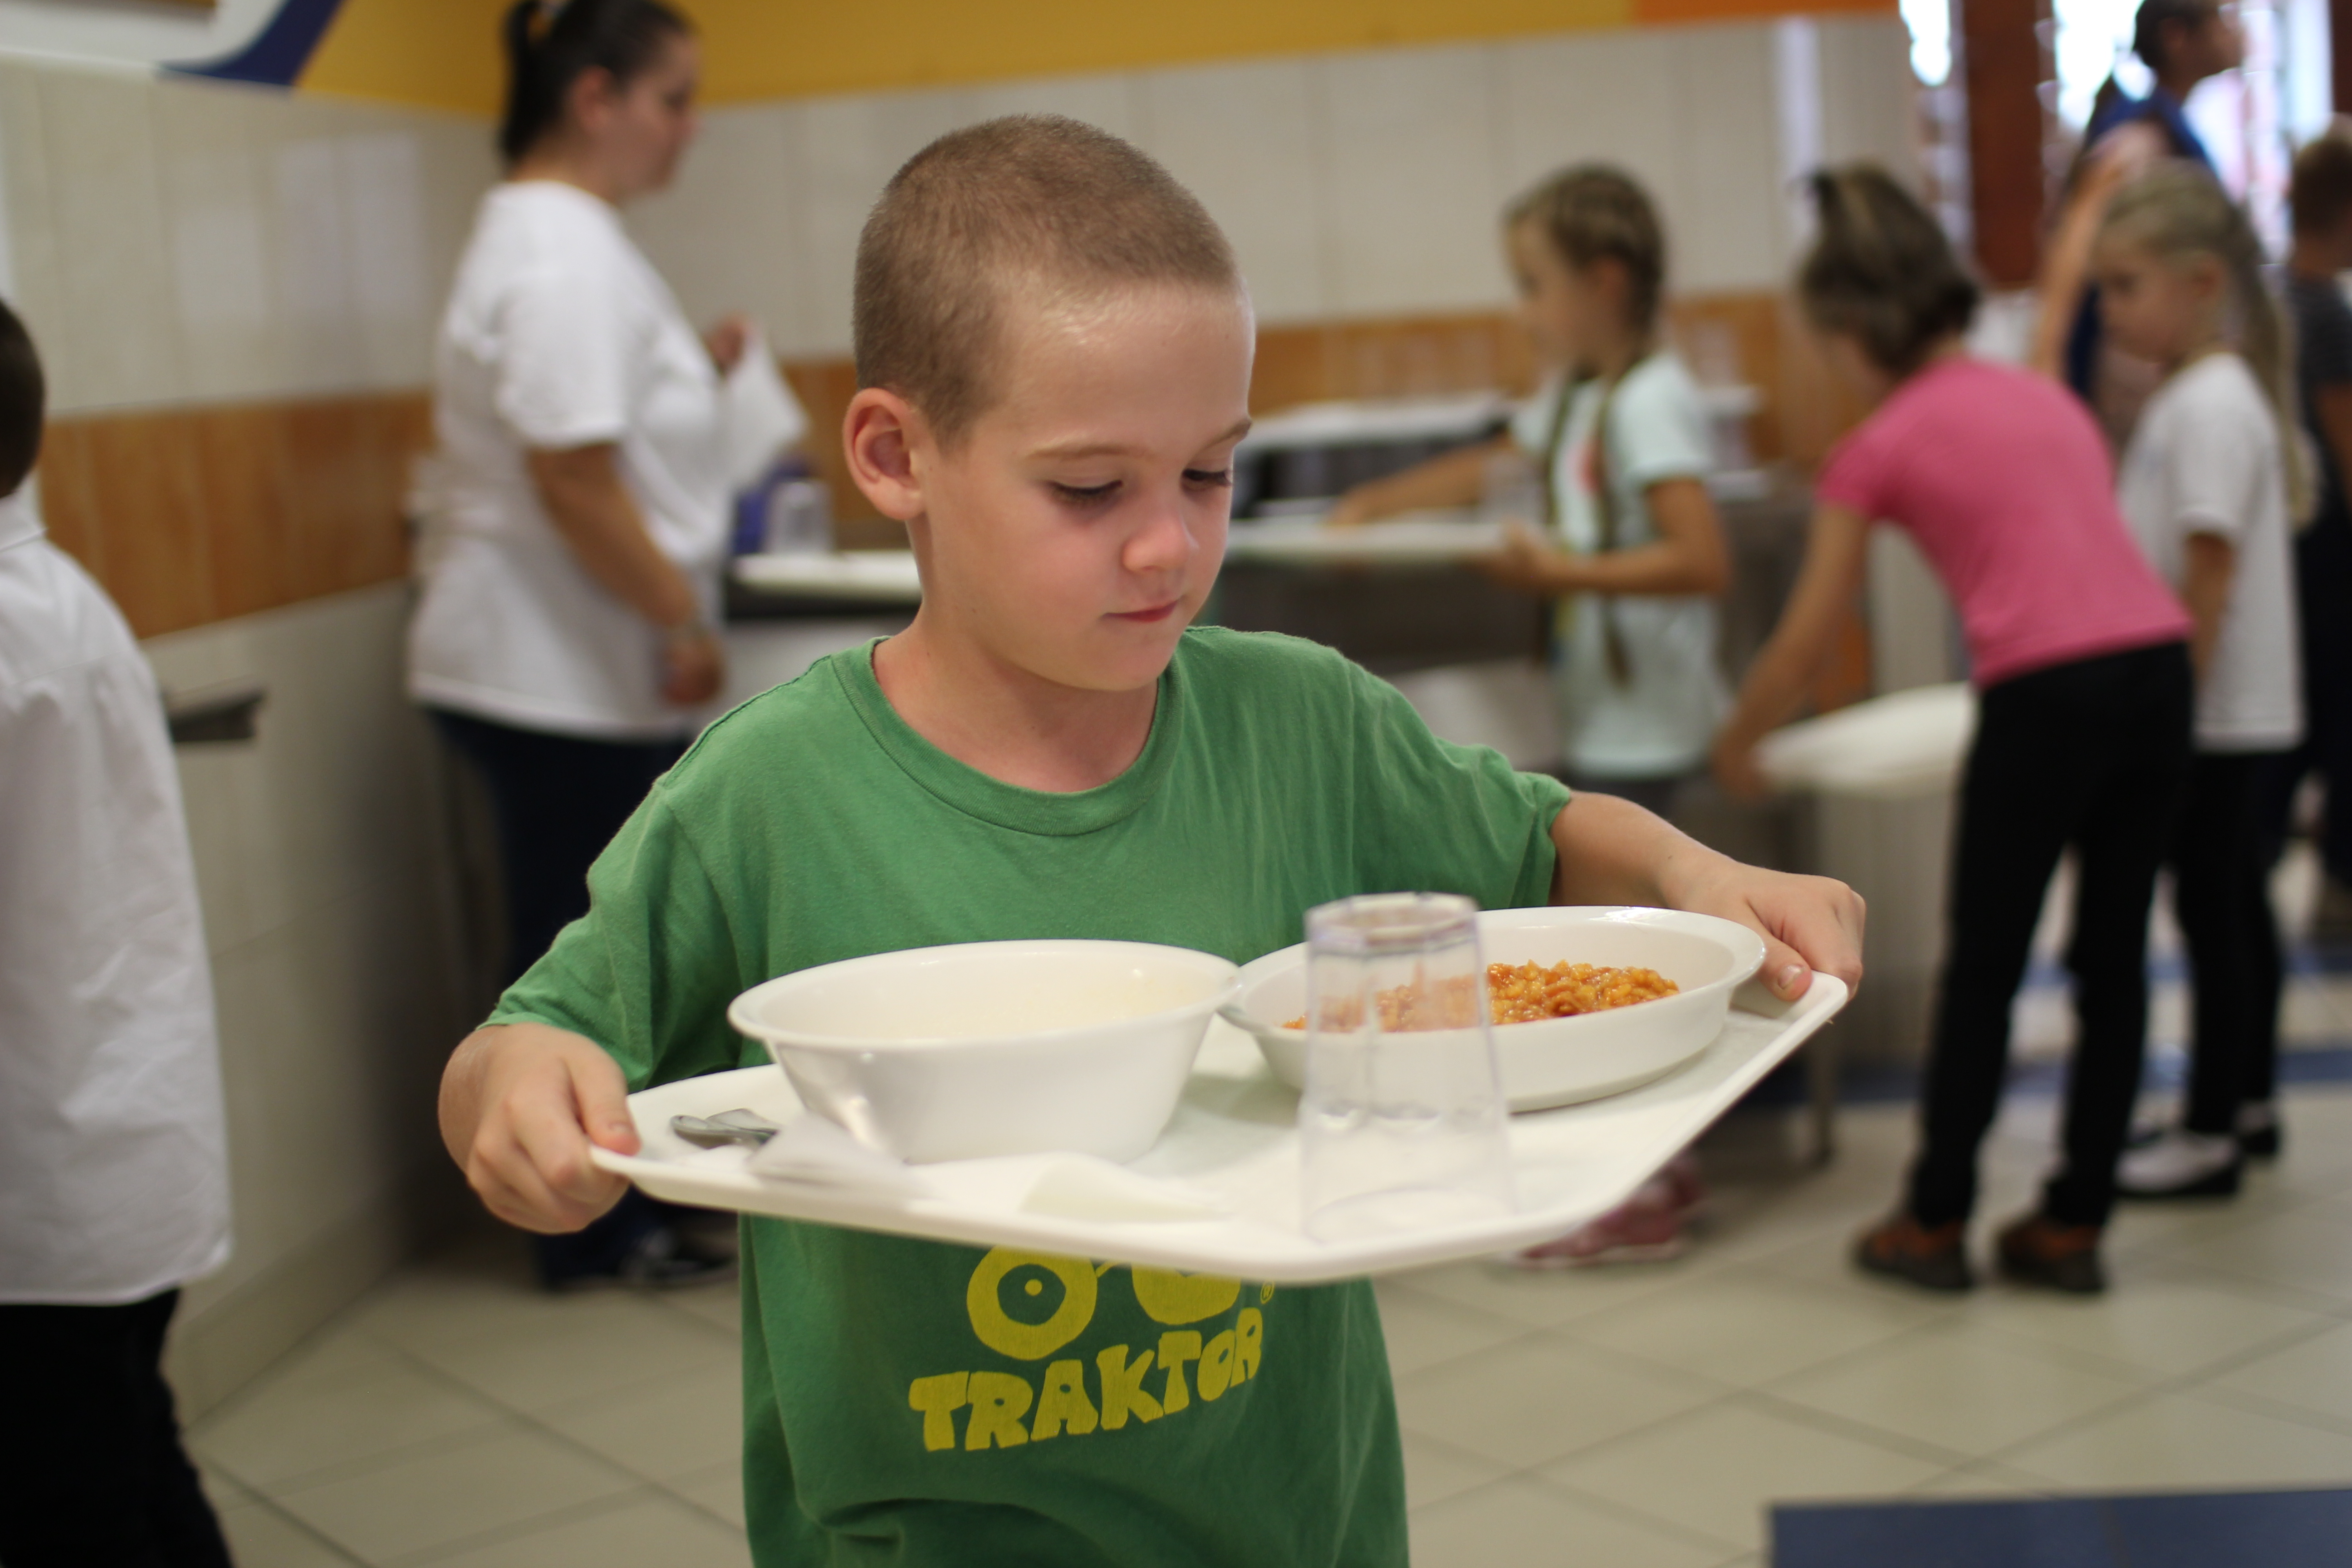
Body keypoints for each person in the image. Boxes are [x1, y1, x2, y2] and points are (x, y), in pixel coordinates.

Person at [436, 117, 1866, 1566]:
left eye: (1209, 473)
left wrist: (1698, 876)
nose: (1169, 545)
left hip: (1295, 1532)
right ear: (895, 455)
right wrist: (520, 1091)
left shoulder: (1300, 725)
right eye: (1089, 487)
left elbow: (1547, 843)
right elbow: (532, 1040)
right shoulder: (772, 795)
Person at [1715, 167, 2195, 1296]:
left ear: (1851, 330)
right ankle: (2072, 1224)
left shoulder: (1875, 446)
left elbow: (1806, 639)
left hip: (2045, 694)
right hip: (2157, 670)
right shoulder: (2040, 397)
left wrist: (1737, 743)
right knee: (2113, 957)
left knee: (1983, 965)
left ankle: (1932, 1222)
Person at [409, 0, 746, 1288]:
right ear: (594, 98)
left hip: (561, 662)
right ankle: (589, 1227)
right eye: (673, 99)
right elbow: (571, 474)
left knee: (602, 937)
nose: (691, 128)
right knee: (581, 958)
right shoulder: (556, 249)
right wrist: (678, 615)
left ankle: (617, 1208)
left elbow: (592, 439)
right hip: (546, 670)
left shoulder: (564, 238)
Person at [0, 297, 236, 1566]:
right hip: (114, 1141)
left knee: (76, 1498)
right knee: (129, 1455)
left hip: (52, 1171)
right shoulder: (55, 591)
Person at [1328, 165, 1732, 822]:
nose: (1522, 311)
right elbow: (1496, 462)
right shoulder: (1581, 391)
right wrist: (1372, 505)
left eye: (1533, 286)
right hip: (1603, 723)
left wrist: (1556, 574)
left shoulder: (1647, 401)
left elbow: (1701, 561)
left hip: (1648, 734)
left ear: (1603, 283)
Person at [2095, 167, 2309, 1200]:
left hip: (2214, 712)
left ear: (2200, 282)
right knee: (2234, 905)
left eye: (2125, 285)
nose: (2109, 310)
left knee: (2211, 911)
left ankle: (2210, 1126)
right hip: (2228, 708)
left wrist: (2171, 710)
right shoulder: (2196, 394)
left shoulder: (2209, 405)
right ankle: (2248, 1096)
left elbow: (2206, 572)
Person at [2029, 0, 2243, 446]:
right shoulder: (2139, 142)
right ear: (2176, 37)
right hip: (2133, 371)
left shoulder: (2174, 131)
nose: (2234, 33)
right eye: (2220, 21)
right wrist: (2047, 359)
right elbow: (2075, 240)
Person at [2260, 128, 2352, 961]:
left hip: (2289, 541)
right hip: (2328, 545)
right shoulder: (2323, 311)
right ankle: (2337, 880)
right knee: (2338, 713)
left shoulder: (2274, 296)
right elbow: (2343, 442)